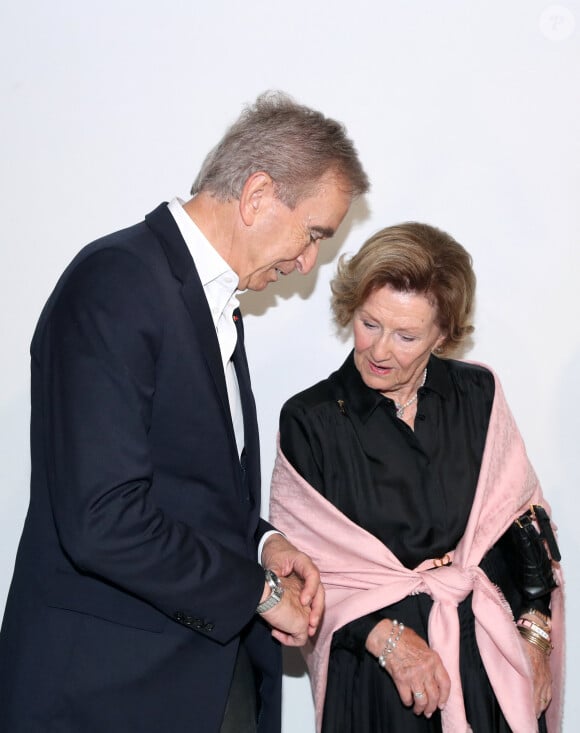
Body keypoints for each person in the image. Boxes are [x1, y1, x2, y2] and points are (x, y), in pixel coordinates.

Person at [0, 91, 369, 733]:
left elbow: (184, 487)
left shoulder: (213, 301)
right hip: (107, 691)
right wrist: (259, 592)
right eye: (313, 235)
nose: (308, 263)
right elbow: (104, 520)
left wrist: (263, 541)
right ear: (257, 196)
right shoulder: (116, 282)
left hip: (198, 676)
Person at [269, 223, 564, 733]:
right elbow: (304, 579)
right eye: (369, 323)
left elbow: (521, 522)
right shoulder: (309, 420)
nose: (380, 351)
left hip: (490, 663)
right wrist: (386, 638)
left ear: (442, 334)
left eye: (406, 336)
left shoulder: (478, 393)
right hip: (381, 678)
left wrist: (536, 637)